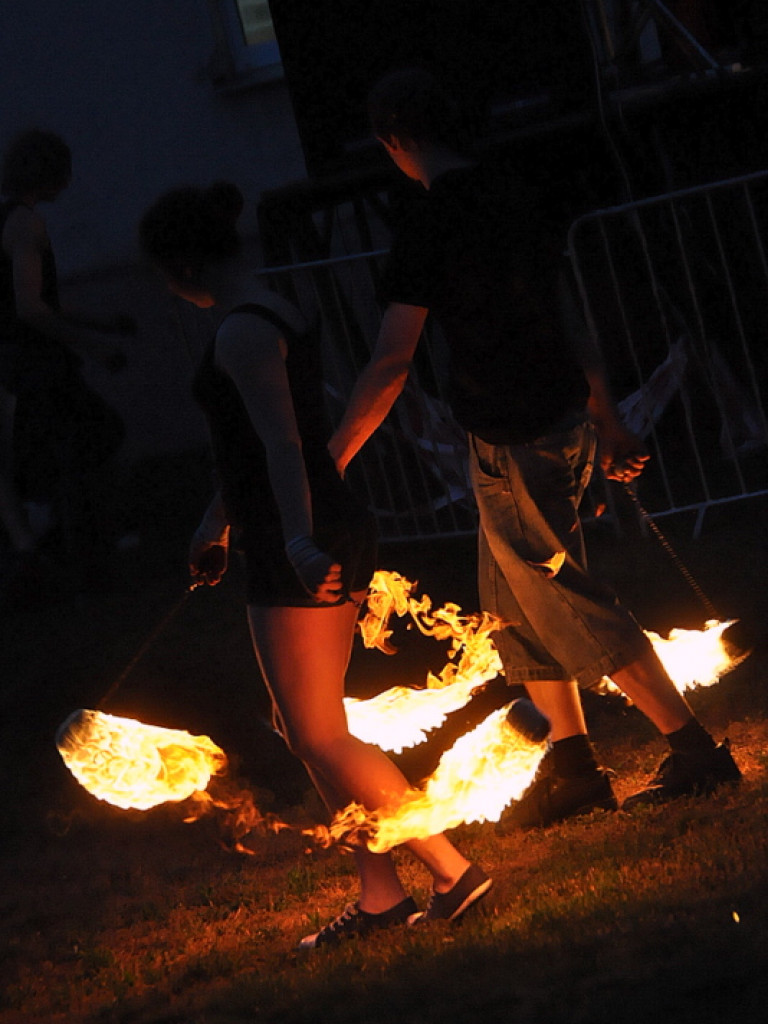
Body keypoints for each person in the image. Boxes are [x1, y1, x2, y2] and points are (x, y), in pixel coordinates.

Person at [328, 67, 741, 827]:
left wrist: (333, 462)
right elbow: (569, 315)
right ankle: (574, 765)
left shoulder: (430, 221)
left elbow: (391, 363)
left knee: (564, 599)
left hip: (515, 435)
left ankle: (695, 751)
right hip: (555, 421)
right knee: (516, 608)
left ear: (395, 137)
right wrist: (607, 418)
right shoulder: (516, 194)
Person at [138, 182, 491, 949]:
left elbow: (283, 445)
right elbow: (245, 447)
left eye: (164, 272)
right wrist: (214, 525)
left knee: (320, 733)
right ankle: (379, 894)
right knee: (302, 726)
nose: (167, 288)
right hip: (287, 528)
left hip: (297, 533)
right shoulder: (270, 310)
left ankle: (452, 870)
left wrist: (295, 542)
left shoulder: (242, 331)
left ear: (188, 260)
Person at [0, 129, 129, 590]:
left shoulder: (8, 221)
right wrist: (95, 345)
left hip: (18, 362)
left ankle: (68, 553)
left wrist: (102, 321)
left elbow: (36, 299)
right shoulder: (26, 225)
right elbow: (32, 308)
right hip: (36, 364)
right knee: (88, 445)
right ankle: (88, 560)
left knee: (70, 452)